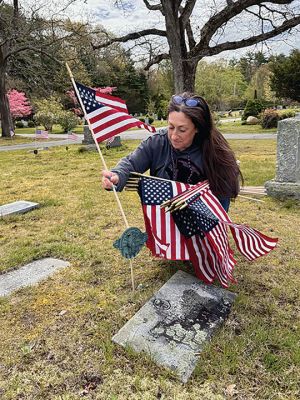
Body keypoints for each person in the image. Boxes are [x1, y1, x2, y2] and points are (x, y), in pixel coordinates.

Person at [102, 93, 242, 211]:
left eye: (182, 130)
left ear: (197, 128)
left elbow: (222, 201)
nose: (174, 136)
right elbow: (131, 163)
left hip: (202, 217)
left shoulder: (215, 150)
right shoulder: (157, 142)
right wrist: (117, 175)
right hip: (166, 217)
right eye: (171, 127)